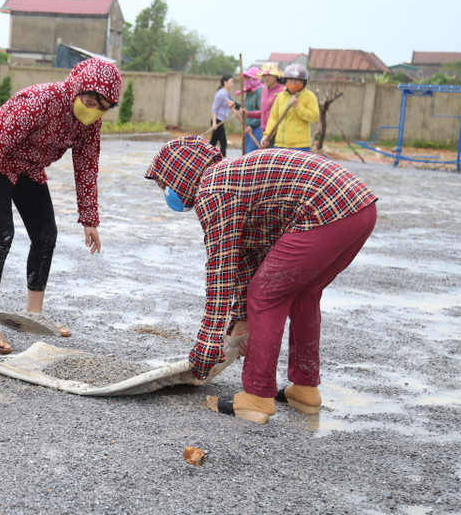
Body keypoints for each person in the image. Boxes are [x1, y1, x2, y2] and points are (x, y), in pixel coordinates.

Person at [145, 136, 377, 424]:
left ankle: (257, 398)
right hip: (359, 208)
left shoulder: (213, 190)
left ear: (182, 171)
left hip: (326, 209)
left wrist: (206, 349)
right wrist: (243, 322)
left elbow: (221, 274)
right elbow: (247, 257)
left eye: (164, 184)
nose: (167, 192)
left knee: (265, 295)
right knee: (304, 294)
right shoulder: (229, 177)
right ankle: (305, 388)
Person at [0, 57, 123, 353]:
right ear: (78, 87)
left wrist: (90, 220)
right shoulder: (41, 100)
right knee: (1, 235)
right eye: (91, 100)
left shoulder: (90, 125)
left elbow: (87, 168)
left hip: (29, 167)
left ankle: (33, 315)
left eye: (102, 106)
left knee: (46, 235)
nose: (93, 110)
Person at [261, 63, 319, 151]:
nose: (293, 83)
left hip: (300, 146)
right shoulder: (281, 96)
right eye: (290, 80)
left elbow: (314, 117)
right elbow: (274, 118)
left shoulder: (309, 96)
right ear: (285, 81)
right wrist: (267, 135)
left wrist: (298, 106)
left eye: (297, 80)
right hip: (280, 144)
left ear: (303, 82)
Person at [245, 62, 285, 139]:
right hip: (265, 131)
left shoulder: (282, 91)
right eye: (265, 75)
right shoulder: (264, 91)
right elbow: (263, 112)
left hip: (277, 132)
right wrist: (248, 114)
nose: (267, 78)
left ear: (276, 76)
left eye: (270, 75)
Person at [237, 67, 263, 153]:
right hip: (248, 128)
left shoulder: (259, 91)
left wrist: (251, 125)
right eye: (246, 78)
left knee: (252, 153)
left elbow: (262, 112)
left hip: (256, 128)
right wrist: (236, 106)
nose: (247, 80)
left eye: (249, 78)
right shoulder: (249, 92)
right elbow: (247, 109)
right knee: (246, 153)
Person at [210, 75, 237, 156]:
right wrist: (214, 123)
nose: (233, 84)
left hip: (221, 121)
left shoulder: (229, 94)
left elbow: (231, 105)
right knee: (223, 141)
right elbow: (214, 109)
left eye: (233, 82)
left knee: (213, 142)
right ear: (225, 82)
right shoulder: (220, 94)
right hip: (217, 120)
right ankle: (223, 158)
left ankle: (205, 156)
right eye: (231, 81)